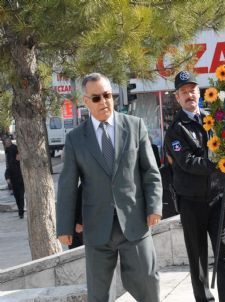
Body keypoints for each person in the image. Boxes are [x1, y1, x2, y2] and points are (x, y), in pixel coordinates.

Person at [56, 73, 162, 302]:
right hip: (96, 227)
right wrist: (64, 226)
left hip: (134, 222)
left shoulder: (135, 126)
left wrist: (154, 206)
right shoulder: (75, 139)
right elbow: (67, 185)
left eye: (107, 95)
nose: (104, 102)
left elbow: (150, 171)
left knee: (148, 283)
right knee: (98, 294)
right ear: (86, 102)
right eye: (97, 98)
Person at [165, 71, 225, 302]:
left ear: (199, 92)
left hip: (217, 199)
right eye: (183, 92)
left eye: (192, 90)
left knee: (224, 254)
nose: (189, 95)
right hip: (191, 202)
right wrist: (218, 163)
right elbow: (187, 163)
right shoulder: (176, 129)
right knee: (198, 259)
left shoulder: (213, 120)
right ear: (177, 98)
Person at [4, 138, 25, 218]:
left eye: (7, 142)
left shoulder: (15, 149)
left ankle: (21, 212)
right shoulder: (8, 151)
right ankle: (20, 211)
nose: (6, 144)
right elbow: (8, 168)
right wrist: (8, 178)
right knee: (17, 196)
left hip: (20, 178)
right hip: (13, 178)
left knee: (20, 196)